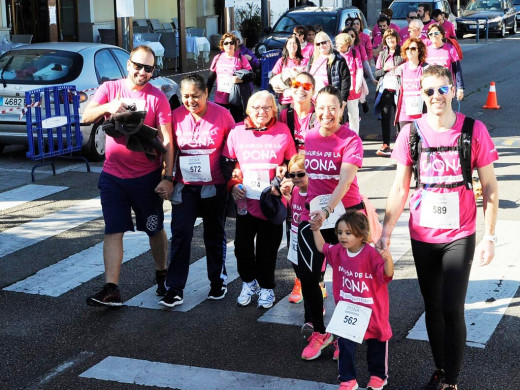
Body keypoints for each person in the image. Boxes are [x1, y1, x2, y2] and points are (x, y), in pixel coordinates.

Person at [377, 65, 499, 390]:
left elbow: (489, 187)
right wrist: (386, 233)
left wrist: (489, 235)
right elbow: (399, 188)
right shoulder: (411, 134)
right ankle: (441, 369)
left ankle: (452, 381)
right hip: (423, 234)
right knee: (431, 305)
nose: (436, 97)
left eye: (442, 89)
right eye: (429, 91)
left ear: (451, 90)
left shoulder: (474, 130)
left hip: (460, 234)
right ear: (422, 95)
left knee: (452, 306)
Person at [83, 45, 174, 306]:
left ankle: (162, 274)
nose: (142, 72)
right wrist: (111, 106)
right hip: (113, 177)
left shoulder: (158, 98)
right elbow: (87, 116)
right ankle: (111, 288)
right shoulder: (110, 88)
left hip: (146, 178)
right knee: (113, 230)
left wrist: (167, 177)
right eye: (137, 65)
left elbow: (167, 140)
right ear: (128, 64)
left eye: (148, 68)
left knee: (154, 230)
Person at [298, 86, 364, 361]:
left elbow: (345, 180)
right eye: (322, 107)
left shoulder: (350, 139)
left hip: (346, 216)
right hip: (314, 216)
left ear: (341, 109)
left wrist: (327, 209)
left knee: (348, 279)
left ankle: (345, 334)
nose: (327, 113)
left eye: (332, 108)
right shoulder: (308, 136)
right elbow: (303, 173)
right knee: (308, 275)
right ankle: (321, 332)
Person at [158, 74, 235, 308]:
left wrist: (236, 179)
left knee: (214, 234)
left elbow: (234, 147)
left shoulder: (222, 115)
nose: (190, 101)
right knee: (181, 234)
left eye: (196, 96)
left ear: (206, 93)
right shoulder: (176, 116)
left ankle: (217, 281)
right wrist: (168, 177)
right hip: (185, 185)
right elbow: (169, 150)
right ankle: (174, 288)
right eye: (186, 96)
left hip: (214, 184)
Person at [222, 91, 297, 309]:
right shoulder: (237, 131)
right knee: (242, 247)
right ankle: (249, 283)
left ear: (274, 110)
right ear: (248, 110)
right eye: (256, 107)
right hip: (246, 201)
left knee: (267, 249)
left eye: (266, 108)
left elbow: (293, 162)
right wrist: (232, 185)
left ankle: (267, 288)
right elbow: (227, 163)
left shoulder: (282, 131)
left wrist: (287, 179)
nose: (261, 112)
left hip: (272, 202)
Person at [313, 211, 394, 390]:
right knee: (345, 345)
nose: (342, 236)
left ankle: (378, 376)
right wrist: (316, 229)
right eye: (340, 232)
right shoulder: (338, 251)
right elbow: (322, 247)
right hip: (348, 310)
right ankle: (348, 379)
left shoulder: (371, 254)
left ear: (361, 234)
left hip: (372, 311)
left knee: (377, 344)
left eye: (348, 233)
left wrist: (388, 259)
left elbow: (387, 275)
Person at [281, 154, 309, 304]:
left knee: (313, 267)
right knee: (295, 262)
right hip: (295, 233)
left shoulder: (313, 192)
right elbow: (293, 208)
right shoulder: (296, 191)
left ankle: (318, 284)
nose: (296, 178)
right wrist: (287, 198)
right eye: (292, 175)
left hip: (309, 235)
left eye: (300, 174)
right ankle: (300, 282)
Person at [207, 32, 253, 122]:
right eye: (226, 43)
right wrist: (206, 94)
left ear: (235, 45)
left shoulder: (240, 57)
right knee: (220, 121)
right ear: (222, 45)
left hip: (235, 96)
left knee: (236, 121)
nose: (229, 45)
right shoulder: (217, 58)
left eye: (231, 43)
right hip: (220, 96)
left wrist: (240, 79)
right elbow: (210, 79)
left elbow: (251, 75)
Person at [374, 29, 404, 157]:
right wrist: (385, 70)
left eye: (392, 38)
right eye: (387, 39)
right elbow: (376, 73)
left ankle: (400, 143)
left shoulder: (403, 52)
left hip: (399, 89)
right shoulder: (382, 54)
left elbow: (408, 68)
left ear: (397, 39)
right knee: (385, 117)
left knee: (399, 118)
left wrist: (399, 70)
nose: (390, 41)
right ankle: (386, 144)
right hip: (385, 89)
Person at [307, 31, 350, 108]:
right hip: (313, 101)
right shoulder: (313, 58)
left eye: (323, 42)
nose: (321, 45)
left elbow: (345, 79)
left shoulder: (338, 59)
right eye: (318, 44)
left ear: (329, 42)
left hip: (331, 99)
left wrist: (343, 100)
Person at [279, 72, 317, 153]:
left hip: (314, 161)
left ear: (313, 92)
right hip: (291, 162)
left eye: (306, 86)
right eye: (296, 84)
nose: (300, 89)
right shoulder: (284, 115)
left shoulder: (319, 116)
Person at [395, 38, 428, 128]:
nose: (410, 51)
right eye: (407, 49)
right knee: (406, 139)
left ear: (419, 51)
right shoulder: (400, 69)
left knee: (420, 141)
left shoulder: (426, 68)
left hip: (421, 112)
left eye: (413, 49)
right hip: (404, 112)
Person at [426, 24, 464, 101]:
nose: (434, 35)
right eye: (431, 34)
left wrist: (460, 88)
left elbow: (457, 69)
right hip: (431, 88)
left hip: (445, 87)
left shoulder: (450, 48)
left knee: (445, 110)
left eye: (436, 33)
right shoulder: (426, 51)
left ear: (442, 35)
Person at [336, 33, 364, 134]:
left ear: (347, 44)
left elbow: (360, 69)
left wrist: (358, 84)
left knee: (354, 114)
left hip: (353, 87)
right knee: (339, 114)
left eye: (340, 44)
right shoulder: (335, 54)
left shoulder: (354, 53)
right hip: (340, 87)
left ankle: (354, 135)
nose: (338, 45)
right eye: (337, 43)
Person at [271, 35, 308, 109]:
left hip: (299, 98)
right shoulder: (281, 61)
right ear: (286, 46)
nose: (292, 45)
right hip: (284, 99)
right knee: (283, 119)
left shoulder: (304, 61)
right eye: (290, 43)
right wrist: (274, 87)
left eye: (295, 43)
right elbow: (273, 77)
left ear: (298, 45)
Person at [344, 27, 376, 112]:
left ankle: (363, 101)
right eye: (348, 35)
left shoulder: (359, 48)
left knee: (359, 94)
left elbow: (365, 63)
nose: (350, 38)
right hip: (344, 78)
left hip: (357, 76)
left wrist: (372, 77)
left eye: (352, 35)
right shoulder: (339, 51)